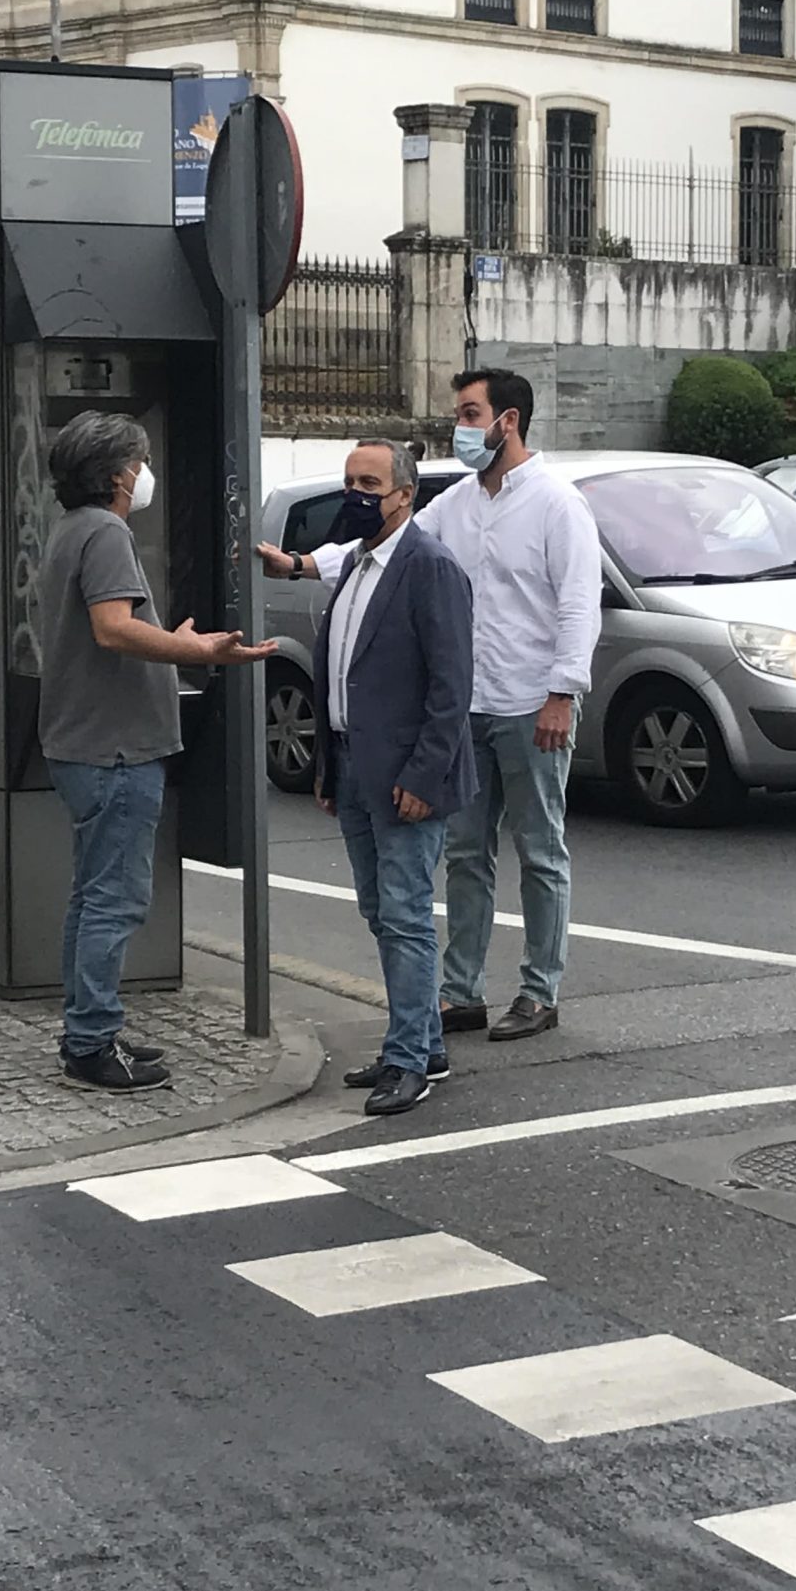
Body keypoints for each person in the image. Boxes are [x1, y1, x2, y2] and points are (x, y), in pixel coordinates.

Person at [264, 367, 599, 1044]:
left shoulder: (557, 505)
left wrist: (563, 692)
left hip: (532, 701)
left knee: (540, 849)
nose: (461, 425)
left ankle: (540, 989)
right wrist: (302, 565)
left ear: (508, 421)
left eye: (471, 413)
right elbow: (384, 546)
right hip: (467, 706)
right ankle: (461, 992)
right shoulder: (459, 503)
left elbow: (578, 602)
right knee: (466, 852)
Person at [38, 411, 273, 1092]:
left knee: (92, 897)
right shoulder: (107, 532)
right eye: (138, 463)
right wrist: (196, 649)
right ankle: (90, 1042)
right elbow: (114, 629)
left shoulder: (73, 530)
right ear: (115, 475)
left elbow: (115, 629)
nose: (144, 474)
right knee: (113, 901)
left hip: (84, 743)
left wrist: (170, 640)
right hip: (115, 748)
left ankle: (91, 1025)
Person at [311, 439, 475, 1117]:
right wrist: (326, 763)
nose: (357, 492)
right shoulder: (354, 564)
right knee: (380, 911)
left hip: (407, 774)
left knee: (405, 915)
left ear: (404, 494)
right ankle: (421, 1039)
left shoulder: (430, 567)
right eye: (350, 480)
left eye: (370, 482)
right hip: (352, 765)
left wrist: (425, 774)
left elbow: (451, 684)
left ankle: (409, 1058)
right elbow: (339, 671)